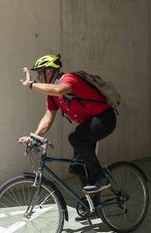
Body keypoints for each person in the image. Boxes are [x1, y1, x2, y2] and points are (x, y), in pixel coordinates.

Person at [18, 54, 117, 193]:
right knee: (79, 167)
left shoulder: (69, 78)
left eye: (40, 73)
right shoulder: (52, 96)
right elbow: (48, 118)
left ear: (49, 71)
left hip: (105, 118)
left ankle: (101, 178)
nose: (38, 77)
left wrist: (31, 85)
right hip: (89, 124)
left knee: (75, 138)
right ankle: (91, 207)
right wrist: (34, 136)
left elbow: (59, 90)